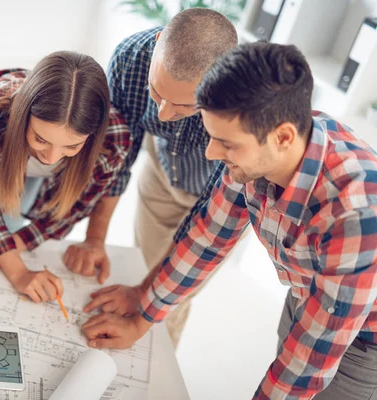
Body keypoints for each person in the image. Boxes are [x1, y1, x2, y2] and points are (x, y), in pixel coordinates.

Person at [81, 41, 377, 399]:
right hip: (306, 297)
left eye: (227, 144)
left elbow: (307, 364)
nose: (211, 153)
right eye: (212, 137)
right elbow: (207, 239)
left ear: (283, 137)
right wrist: (142, 317)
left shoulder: (358, 213)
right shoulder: (261, 147)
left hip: (366, 345)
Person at [63, 8, 238, 347]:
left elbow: (207, 224)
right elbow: (118, 156)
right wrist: (94, 239)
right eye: (156, 93)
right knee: (142, 265)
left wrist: (146, 293)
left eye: (184, 106)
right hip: (162, 170)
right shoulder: (132, 57)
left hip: (219, 197)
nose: (163, 114)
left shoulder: (243, 108)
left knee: (168, 298)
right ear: (158, 45)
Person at [0, 52, 131, 303]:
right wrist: (17, 270)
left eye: (71, 147)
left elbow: (69, 211)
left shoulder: (115, 141)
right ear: (23, 115)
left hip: (43, 194)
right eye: (41, 139)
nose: (50, 157)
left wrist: (5, 249)